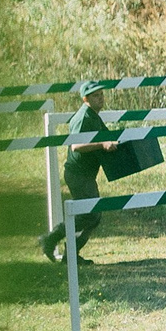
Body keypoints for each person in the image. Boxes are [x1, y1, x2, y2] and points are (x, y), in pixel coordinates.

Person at [38, 81, 113, 263]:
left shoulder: (94, 116)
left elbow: (107, 136)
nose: (100, 99)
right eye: (96, 96)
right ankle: (53, 240)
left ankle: (67, 253)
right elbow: (76, 146)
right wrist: (102, 145)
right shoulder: (82, 117)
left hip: (86, 175)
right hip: (78, 175)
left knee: (92, 216)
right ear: (85, 99)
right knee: (91, 215)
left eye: (101, 95)